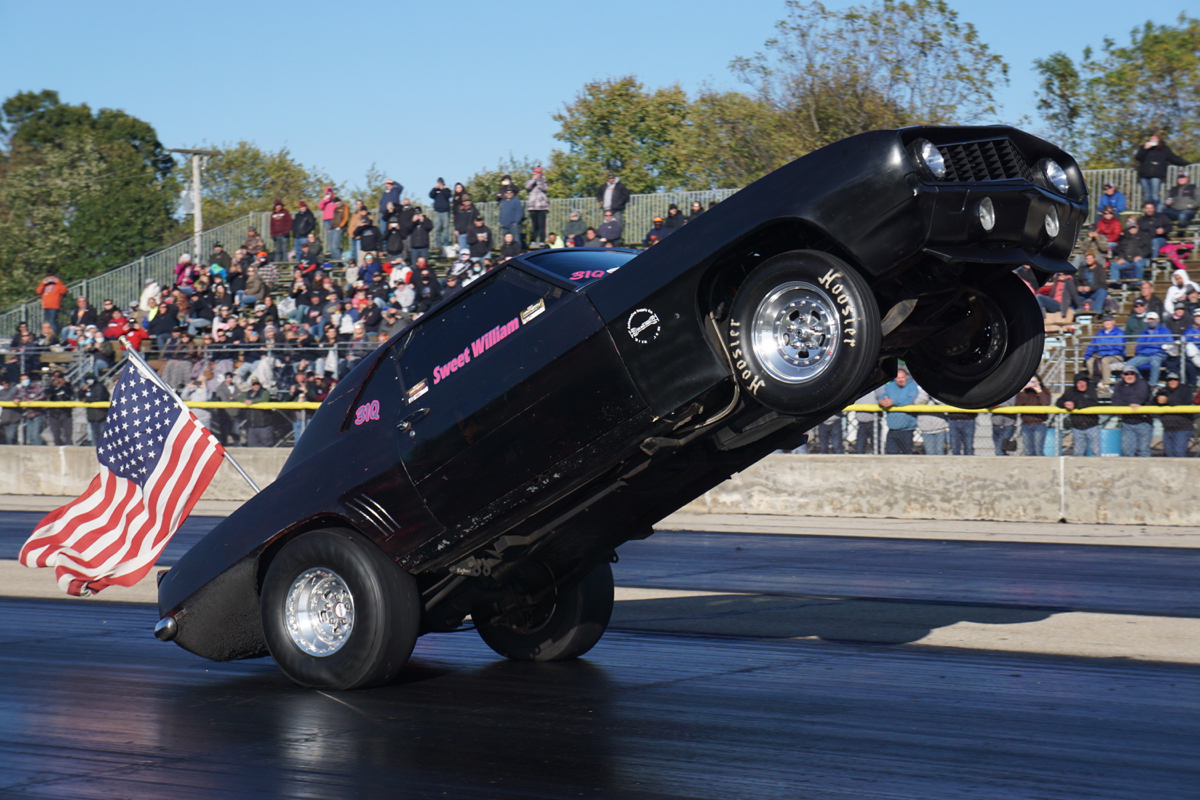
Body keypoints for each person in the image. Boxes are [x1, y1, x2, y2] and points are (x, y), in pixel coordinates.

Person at [1135, 131, 1188, 211]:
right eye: (1151, 138)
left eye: (1154, 138)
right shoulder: (1144, 148)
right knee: (1147, 195)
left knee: (1155, 195)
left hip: (1157, 175)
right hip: (1144, 175)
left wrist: (1186, 163)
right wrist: (1144, 149)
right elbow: (1138, 157)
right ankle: (1148, 211)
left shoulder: (1164, 149)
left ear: (1159, 139)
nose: (1152, 140)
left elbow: (1173, 158)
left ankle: (1157, 212)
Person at [1057, 372, 1101, 457]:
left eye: (1084, 382)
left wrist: (1076, 404)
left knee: (1096, 450)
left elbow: (1092, 402)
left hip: (1092, 426)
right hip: (1077, 427)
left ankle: (1096, 468)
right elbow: (1058, 402)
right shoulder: (1070, 392)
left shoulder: (1091, 390)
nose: (1082, 384)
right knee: (1078, 452)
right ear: (1075, 384)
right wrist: (1065, 404)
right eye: (1079, 382)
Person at [1112, 365, 1151, 457]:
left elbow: (1140, 398)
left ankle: (1143, 471)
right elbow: (1115, 401)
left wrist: (1125, 400)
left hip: (1144, 422)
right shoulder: (1118, 385)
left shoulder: (1142, 383)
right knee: (1126, 452)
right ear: (1122, 375)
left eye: (1132, 374)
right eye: (1126, 374)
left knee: (1143, 451)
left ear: (1135, 374)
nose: (1129, 376)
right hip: (1127, 423)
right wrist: (1129, 404)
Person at [876, 368, 918, 454]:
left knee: (907, 454)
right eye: (898, 378)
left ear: (907, 377)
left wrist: (894, 402)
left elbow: (910, 400)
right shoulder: (890, 386)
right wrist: (881, 401)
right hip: (892, 428)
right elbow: (883, 396)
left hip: (907, 429)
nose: (900, 380)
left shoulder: (912, 386)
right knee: (890, 453)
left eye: (902, 378)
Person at [1124, 312, 1172, 386]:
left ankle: (1152, 385)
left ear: (1158, 320)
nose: (1151, 321)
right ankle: (1141, 383)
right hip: (1144, 354)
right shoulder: (1144, 333)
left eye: (1153, 319)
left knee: (1154, 363)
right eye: (1149, 319)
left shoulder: (1164, 331)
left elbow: (1169, 343)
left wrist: (1162, 347)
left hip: (1158, 354)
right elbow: (1138, 346)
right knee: (1129, 364)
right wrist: (1141, 351)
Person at [1084, 315, 1126, 392]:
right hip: (1102, 356)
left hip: (1116, 356)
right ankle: (1099, 383)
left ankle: (1106, 384)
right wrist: (1087, 355)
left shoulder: (1119, 333)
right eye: (1105, 321)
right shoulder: (1100, 333)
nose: (1107, 322)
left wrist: (1104, 354)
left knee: (1105, 360)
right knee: (1090, 361)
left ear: (1113, 322)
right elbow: (1093, 345)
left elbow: (1119, 348)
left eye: (1109, 320)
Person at [1156, 373, 1193, 458]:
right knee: (1169, 454)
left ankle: (1183, 471)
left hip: (1183, 428)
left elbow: (1185, 401)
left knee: (1179, 453)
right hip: (1168, 428)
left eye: (1175, 379)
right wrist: (1156, 398)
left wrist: (1167, 400)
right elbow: (1154, 403)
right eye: (1170, 379)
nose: (1172, 381)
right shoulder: (1164, 391)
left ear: (1179, 380)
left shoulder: (1185, 389)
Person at [1015, 374, 1050, 456]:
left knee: (1038, 450)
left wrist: (1038, 390)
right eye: (1029, 382)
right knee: (1028, 451)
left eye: (1033, 382)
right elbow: (1018, 403)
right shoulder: (1024, 393)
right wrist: (1022, 389)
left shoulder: (1043, 391)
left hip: (1039, 424)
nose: (1031, 384)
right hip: (1026, 424)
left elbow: (1046, 402)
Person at [240, 378, 274, 447]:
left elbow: (264, 399)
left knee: (266, 447)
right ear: (251, 386)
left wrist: (252, 402)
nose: (256, 386)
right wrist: (245, 400)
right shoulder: (248, 393)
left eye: (257, 384)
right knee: (252, 447)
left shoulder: (264, 392)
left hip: (264, 426)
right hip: (251, 426)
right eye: (254, 385)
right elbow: (239, 398)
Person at [77, 374, 109, 446]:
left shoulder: (100, 387)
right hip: (92, 416)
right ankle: (95, 448)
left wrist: (87, 399)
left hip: (101, 415)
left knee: (103, 434)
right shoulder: (88, 388)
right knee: (94, 435)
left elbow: (100, 397)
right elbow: (80, 397)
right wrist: (82, 390)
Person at [15, 372, 46, 445]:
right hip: (28, 414)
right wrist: (16, 399)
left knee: (36, 435)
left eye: (26, 379)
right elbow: (17, 396)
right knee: (30, 436)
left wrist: (33, 400)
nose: (25, 381)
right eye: (23, 380)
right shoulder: (22, 389)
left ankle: (40, 450)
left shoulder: (37, 386)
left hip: (38, 413)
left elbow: (43, 395)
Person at [914, 388, 947, 455]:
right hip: (926, 428)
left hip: (940, 427)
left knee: (939, 451)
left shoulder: (941, 392)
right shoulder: (919, 390)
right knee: (929, 452)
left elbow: (943, 404)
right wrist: (925, 395)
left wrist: (934, 394)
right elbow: (917, 403)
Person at [318, 187, 347, 259]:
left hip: (335, 221)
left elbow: (341, 208)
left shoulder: (335, 200)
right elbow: (320, 207)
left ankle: (338, 261)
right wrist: (324, 200)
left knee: (335, 245)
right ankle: (335, 261)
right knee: (331, 245)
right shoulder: (325, 201)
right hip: (327, 222)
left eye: (330, 192)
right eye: (327, 192)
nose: (329, 194)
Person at [525, 167, 549, 246]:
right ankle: (533, 240)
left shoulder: (544, 181)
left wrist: (539, 181)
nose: (536, 175)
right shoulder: (530, 181)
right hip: (532, 207)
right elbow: (527, 187)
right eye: (535, 173)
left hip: (542, 207)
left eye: (538, 174)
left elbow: (545, 188)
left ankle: (542, 240)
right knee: (534, 225)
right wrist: (534, 180)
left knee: (541, 225)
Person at [428, 178, 454, 251]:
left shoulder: (447, 190)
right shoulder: (436, 190)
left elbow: (448, 195)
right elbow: (431, 195)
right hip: (437, 212)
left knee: (446, 228)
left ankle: (446, 243)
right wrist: (435, 188)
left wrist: (443, 189)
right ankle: (437, 244)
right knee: (437, 228)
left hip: (445, 212)